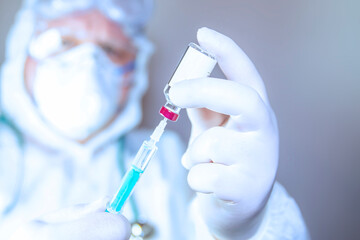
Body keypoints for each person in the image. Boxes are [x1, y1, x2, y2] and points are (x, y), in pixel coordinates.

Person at [0, 0, 309, 239]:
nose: (88, 63)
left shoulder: (179, 161)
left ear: (135, 69)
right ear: (21, 49)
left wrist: (247, 228)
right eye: (65, 42)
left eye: (110, 48)